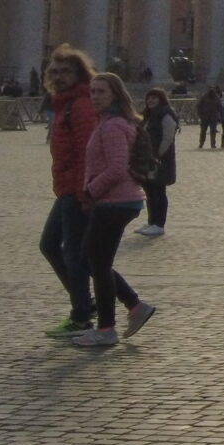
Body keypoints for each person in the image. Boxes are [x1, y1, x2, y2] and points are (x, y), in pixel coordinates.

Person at [67, 70, 157, 346]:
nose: (95, 97)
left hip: (114, 201)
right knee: (92, 261)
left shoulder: (112, 126)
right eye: (92, 91)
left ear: (115, 94)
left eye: (101, 91)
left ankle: (107, 328)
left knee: (97, 263)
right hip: (118, 201)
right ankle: (133, 306)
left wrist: (91, 191)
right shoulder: (109, 122)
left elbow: (117, 168)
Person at [39, 46, 100, 338]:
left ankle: (82, 314)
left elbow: (88, 152)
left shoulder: (81, 105)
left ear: (79, 74)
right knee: (53, 246)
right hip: (65, 186)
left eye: (66, 72)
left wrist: (82, 193)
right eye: (55, 71)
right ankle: (87, 304)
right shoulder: (64, 103)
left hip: (77, 190)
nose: (59, 77)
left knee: (74, 254)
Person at [134, 86, 179, 236]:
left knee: (159, 191)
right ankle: (151, 221)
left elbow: (168, 137)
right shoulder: (148, 115)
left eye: (154, 98)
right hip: (147, 160)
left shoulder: (166, 114)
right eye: (149, 98)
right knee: (149, 191)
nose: (150, 100)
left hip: (160, 161)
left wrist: (157, 155)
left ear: (161, 99)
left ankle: (159, 224)